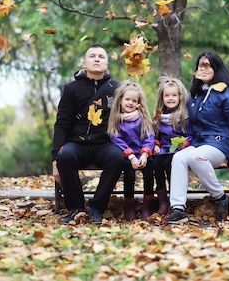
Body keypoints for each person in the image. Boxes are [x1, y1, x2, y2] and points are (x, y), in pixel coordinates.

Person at [167, 51, 229, 224]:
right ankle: (178, 209)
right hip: (199, 142)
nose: (202, 69)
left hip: (221, 144)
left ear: (216, 68)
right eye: (200, 65)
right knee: (179, 157)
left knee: (195, 156)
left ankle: (222, 198)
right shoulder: (195, 95)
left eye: (207, 65)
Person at [52, 44, 124, 225]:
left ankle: (97, 207)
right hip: (77, 144)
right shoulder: (71, 89)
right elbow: (61, 124)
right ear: (84, 62)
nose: (97, 59)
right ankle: (76, 208)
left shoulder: (117, 88)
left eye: (101, 56)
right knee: (65, 156)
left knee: (117, 157)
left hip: (105, 144)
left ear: (107, 63)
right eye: (92, 56)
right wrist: (55, 159)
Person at [108, 79, 156, 220]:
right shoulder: (116, 119)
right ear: (120, 100)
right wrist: (131, 156)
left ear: (139, 103)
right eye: (127, 99)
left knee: (149, 173)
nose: (130, 103)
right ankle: (129, 205)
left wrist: (145, 154)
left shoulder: (143, 118)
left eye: (134, 100)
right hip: (126, 155)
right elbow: (116, 139)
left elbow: (149, 136)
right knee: (129, 176)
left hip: (143, 154)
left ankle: (147, 205)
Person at [152, 75, 191, 215]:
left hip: (178, 152)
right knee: (156, 164)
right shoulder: (159, 116)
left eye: (174, 95)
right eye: (167, 95)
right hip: (163, 149)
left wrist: (185, 143)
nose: (170, 98)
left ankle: (175, 199)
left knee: (171, 165)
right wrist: (155, 145)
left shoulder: (184, 116)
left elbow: (192, 135)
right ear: (162, 98)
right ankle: (163, 200)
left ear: (180, 97)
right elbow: (154, 135)